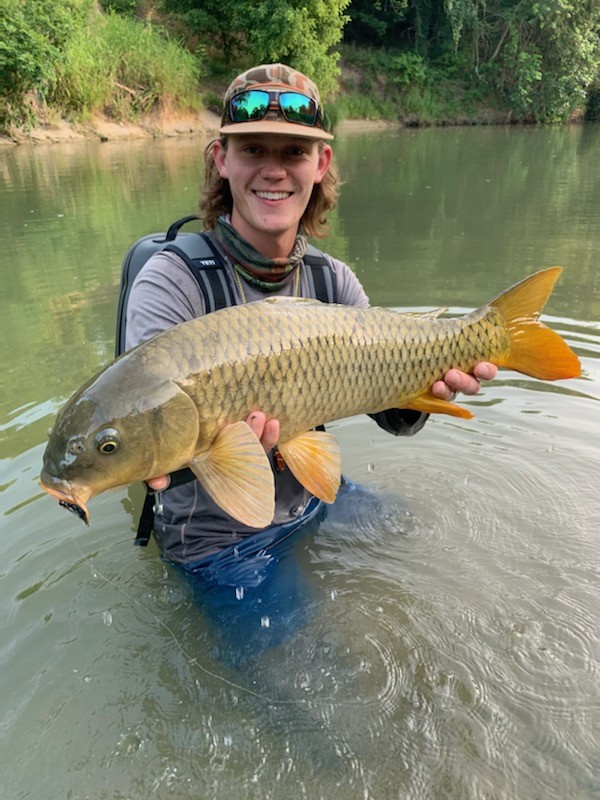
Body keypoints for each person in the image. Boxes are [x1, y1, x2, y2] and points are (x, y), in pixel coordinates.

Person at [125, 64, 497, 660]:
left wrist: (432, 384)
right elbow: (151, 431)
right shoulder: (171, 280)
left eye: (294, 150)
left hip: (309, 498)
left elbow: (391, 411)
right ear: (221, 158)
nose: (274, 169)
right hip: (217, 537)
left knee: (432, 545)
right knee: (320, 672)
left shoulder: (332, 279)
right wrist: (231, 448)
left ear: (320, 166)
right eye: (253, 149)